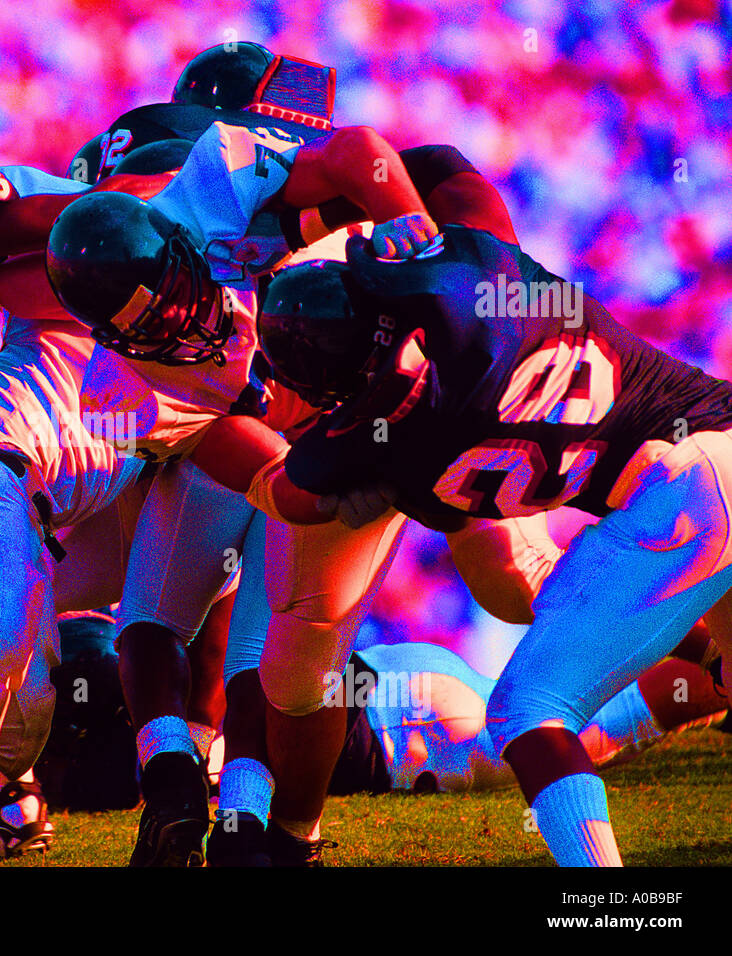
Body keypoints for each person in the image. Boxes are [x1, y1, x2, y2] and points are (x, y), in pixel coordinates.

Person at [255, 153, 732, 865]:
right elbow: (453, 172)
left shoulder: (387, 454)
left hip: (678, 495)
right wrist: (397, 221)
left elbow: (291, 489)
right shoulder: (475, 281)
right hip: (704, 448)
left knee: (527, 710)